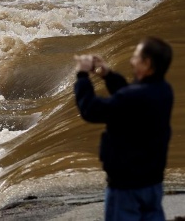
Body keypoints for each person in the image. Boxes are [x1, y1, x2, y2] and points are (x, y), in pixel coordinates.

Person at [74, 37, 175, 221]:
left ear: (147, 64)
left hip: (126, 187)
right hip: (153, 182)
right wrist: (107, 75)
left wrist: (82, 76)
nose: (131, 61)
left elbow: (90, 110)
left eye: (136, 57)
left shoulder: (131, 98)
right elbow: (129, 94)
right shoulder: (164, 91)